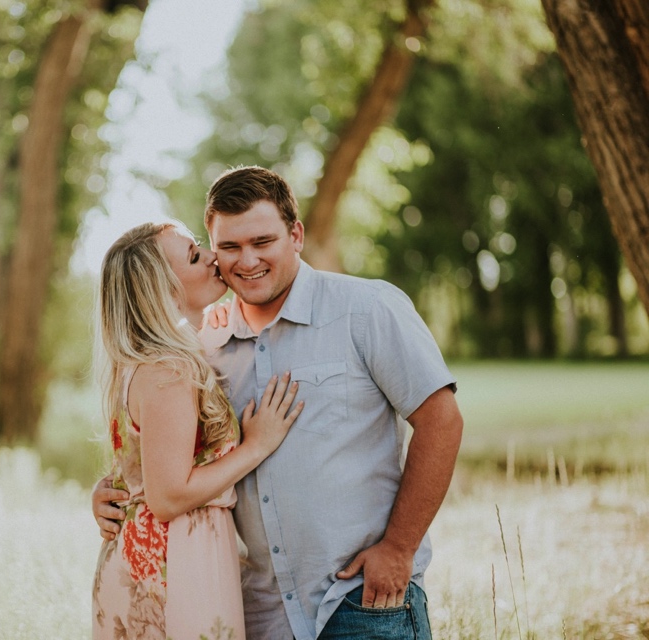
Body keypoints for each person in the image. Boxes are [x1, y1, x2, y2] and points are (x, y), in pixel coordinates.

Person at [93, 166, 464, 640]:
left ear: (296, 234)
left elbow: (442, 421)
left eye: (262, 242)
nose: (246, 261)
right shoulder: (203, 347)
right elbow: (169, 448)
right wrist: (113, 492)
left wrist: (399, 547)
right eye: (228, 247)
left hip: (361, 599)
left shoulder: (366, 309)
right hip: (258, 611)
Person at [91, 221, 305, 640]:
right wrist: (256, 446)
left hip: (175, 552)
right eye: (193, 255)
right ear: (164, 289)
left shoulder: (161, 358)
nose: (212, 257)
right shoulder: (167, 370)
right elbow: (168, 496)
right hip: (175, 564)